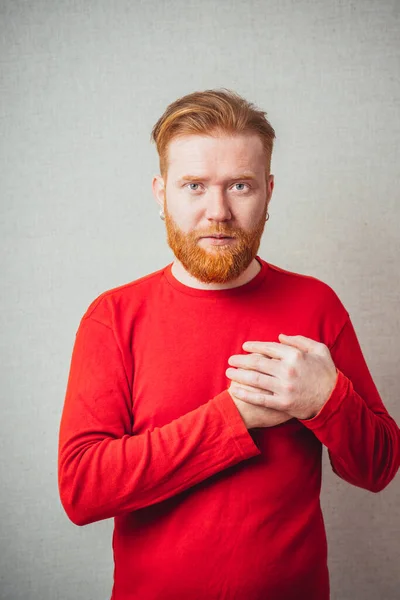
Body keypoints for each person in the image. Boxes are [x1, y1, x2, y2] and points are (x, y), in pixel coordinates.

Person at [58, 88, 400, 600]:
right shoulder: (113, 318)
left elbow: (377, 468)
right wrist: (232, 419)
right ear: (161, 193)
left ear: (268, 189)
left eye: (239, 185)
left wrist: (326, 401)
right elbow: (83, 490)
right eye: (194, 185)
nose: (217, 211)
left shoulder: (316, 304)